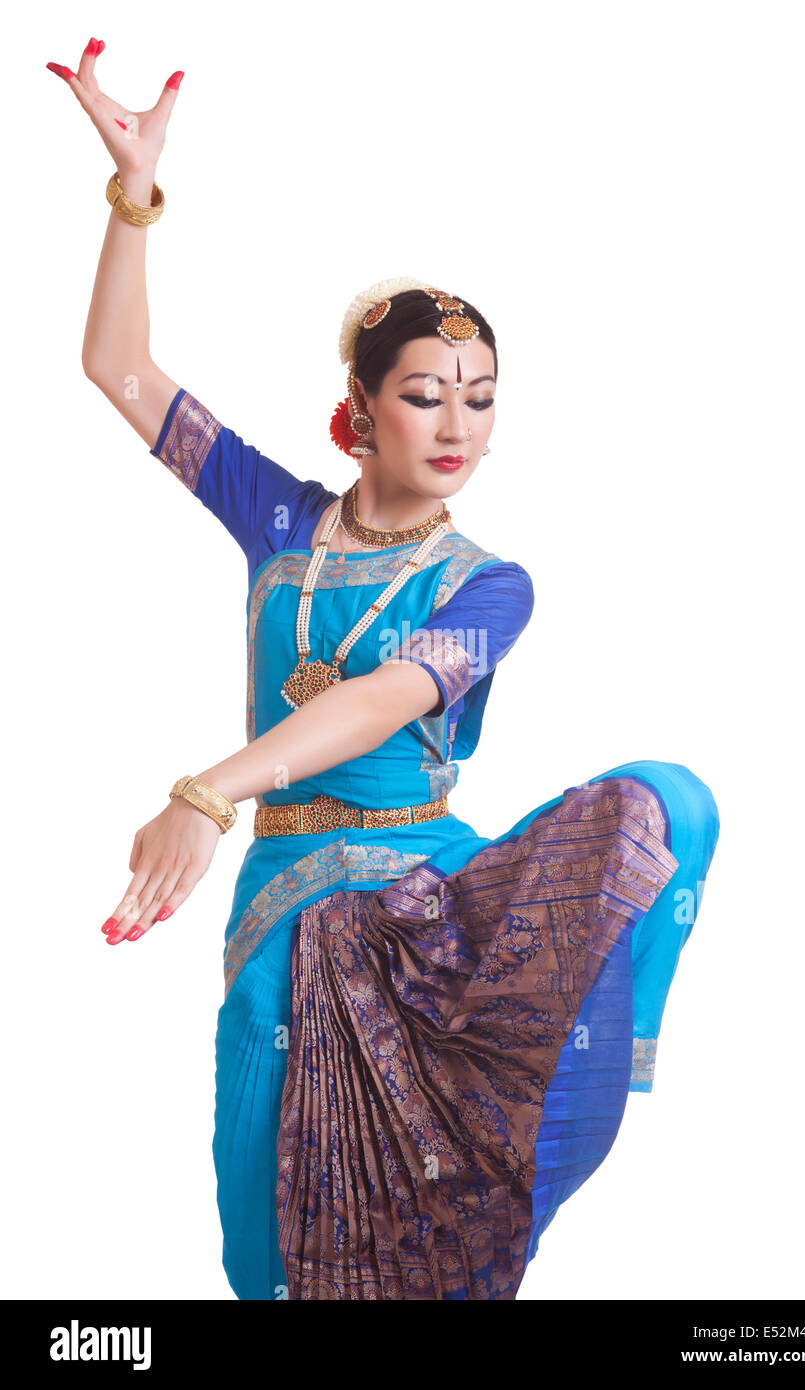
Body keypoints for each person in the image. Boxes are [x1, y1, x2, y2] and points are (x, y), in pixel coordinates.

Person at [53, 38, 720, 1301]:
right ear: (358, 409)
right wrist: (134, 196)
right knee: (263, 1250)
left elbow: (384, 699)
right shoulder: (276, 523)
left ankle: (581, 1047)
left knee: (665, 799)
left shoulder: (488, 583)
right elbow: (119, 372)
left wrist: (206, 789)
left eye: (480, 397)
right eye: (426, 395)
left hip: (429, 904)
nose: (459, 424)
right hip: (285, 905)